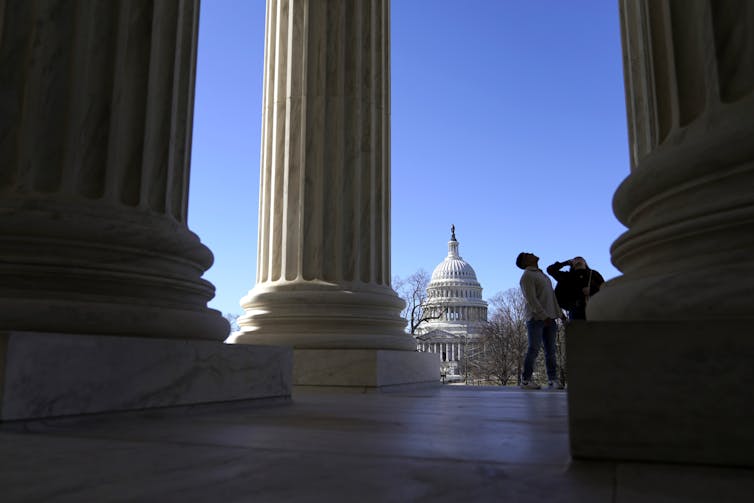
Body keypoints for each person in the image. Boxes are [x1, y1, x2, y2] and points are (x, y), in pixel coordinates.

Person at [515, 252, 564, 390]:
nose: (531, 253)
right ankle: (526, 380)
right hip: (536, 318)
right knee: (534, 349)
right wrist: (544, 316)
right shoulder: (527, 276)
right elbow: (531, 300)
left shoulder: (542, 275)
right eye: (527, 254)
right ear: (525, 262)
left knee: (551, 350)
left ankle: (552, 379)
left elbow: (551, 297)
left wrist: (559, 314)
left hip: (550, 318)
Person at [546, 256, 605, 320]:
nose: (578, 260)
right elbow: (550, 270)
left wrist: (592, 290)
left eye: (581, 259)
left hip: (594, 308)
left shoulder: (594, 274)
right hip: (575, 310)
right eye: (576, 259)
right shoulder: (567, 276)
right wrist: (566, 263)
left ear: (585, 262)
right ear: (572, 263)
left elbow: (604, 287)